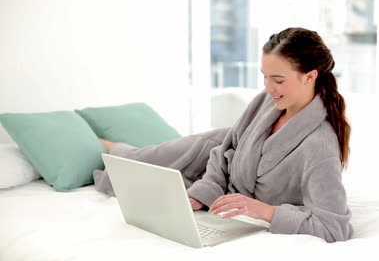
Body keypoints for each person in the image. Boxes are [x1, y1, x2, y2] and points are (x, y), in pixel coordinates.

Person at [96, 27, 353, 243]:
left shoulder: (319, 147)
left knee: (139, 180)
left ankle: (109, 147)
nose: (267, 88)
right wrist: (203, 193)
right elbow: (224, 150)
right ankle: (106, 145)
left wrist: (266, 211)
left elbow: (334, 228)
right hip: (209, 152)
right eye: (264, 77)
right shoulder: (267, 103)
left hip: (227, 189)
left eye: (278, 79)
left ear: (310, 76)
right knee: (137, 160)